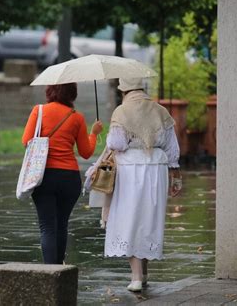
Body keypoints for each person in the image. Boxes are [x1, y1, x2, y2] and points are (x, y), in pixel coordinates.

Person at [104, 77, 182, 292]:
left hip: (130, 170)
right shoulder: (159, 110)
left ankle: (136, 277)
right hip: (157, 169)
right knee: (148, 217)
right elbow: (172, 147)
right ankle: (144, 273)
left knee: (130, 218)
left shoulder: (121, 111)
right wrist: (176, 175)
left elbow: (117, 143)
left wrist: (108, 136)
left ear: (124, 91)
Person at [21, 82, 103, 264]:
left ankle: (51, 274)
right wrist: (94, 133)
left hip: (43, 176)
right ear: (72, 94)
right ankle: (59, 270)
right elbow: (86, 152)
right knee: (61, 224)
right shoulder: (77, 118)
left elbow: (26, 140)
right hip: (69, 178)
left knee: (48, 227)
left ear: (50, 91)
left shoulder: (39, 111)